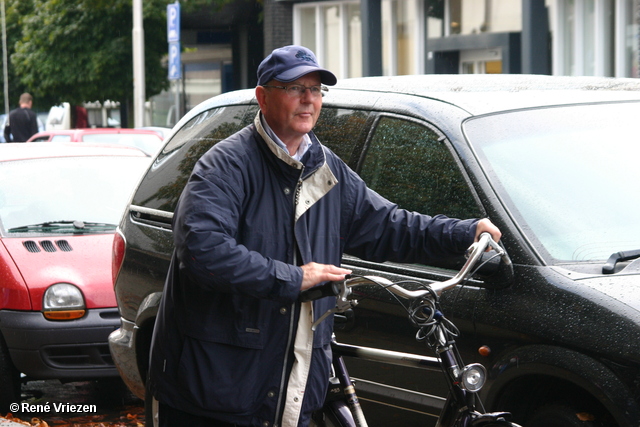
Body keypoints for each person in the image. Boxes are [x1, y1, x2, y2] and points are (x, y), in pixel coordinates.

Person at [147, 45, 501, 427]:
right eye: (294, 88)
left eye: (316, 90)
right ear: (262, 97)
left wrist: (465, 232)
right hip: (216, 389)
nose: (308, 99)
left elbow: (390, 225)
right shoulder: (225, 166)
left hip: (293, 384)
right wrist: (296, 279)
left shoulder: (325, 168)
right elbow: (203, 252)